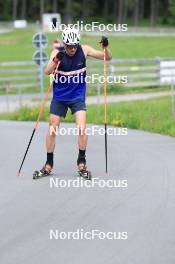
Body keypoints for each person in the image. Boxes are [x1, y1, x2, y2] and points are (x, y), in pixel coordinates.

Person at [37, 26, 112, 177]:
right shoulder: (57, 52)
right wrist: (56, 59)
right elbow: (47, 71)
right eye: (69, 46)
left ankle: (81, 162)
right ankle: (48, 163)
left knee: (82, 128)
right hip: (60, 97)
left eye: (74, 46)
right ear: (64, 44)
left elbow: (107, 57)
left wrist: (105, 47)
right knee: (53, 127)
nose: (72, 49)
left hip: (77, 97)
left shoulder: (83, 50)